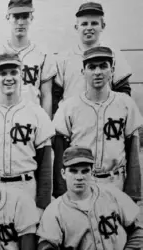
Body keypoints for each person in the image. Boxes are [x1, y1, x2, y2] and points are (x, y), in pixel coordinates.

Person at [0, 52, 54, 212]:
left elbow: (45, 166)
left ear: (22, 75)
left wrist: (42, 206)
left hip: (25, 186)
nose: (8, 78)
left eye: (13, 72)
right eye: (2, 73)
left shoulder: (37, 113)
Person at [52, 46, 143, 201]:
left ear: (112, 70)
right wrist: (61, 190)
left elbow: (132, 150)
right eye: (92, 67)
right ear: (83, 72)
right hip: (81, 182)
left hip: (115, 181)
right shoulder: (69, 106)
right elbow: (61, 152)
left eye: (103, 66)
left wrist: (133, 192)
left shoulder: (125, 103)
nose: (98, 72)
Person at [37, 146, 143, 249]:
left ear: (92, 172)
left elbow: (138, 230)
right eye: (73, 171)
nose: (79, 177)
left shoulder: (112, 194)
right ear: (63, 173)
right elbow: (45, 246)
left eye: (85, 171)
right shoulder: (54, 211)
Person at [53, 1, 132, 114]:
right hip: (72, 119)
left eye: (94, 23)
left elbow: (123, 91)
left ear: (102, 26)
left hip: (104, 118)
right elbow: (55, 95)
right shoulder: (63, 58)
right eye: (84, 24)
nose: (89, 28)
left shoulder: (113, 55)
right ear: (76, 27)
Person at [0, 0, 56, 118]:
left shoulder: (42, 54)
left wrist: (46, 126)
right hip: (1, 118)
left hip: (32, 118)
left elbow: (46, 95)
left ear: (31, 18)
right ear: (8, 17)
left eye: (25, 17)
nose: (20, 22)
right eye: (16, 17)